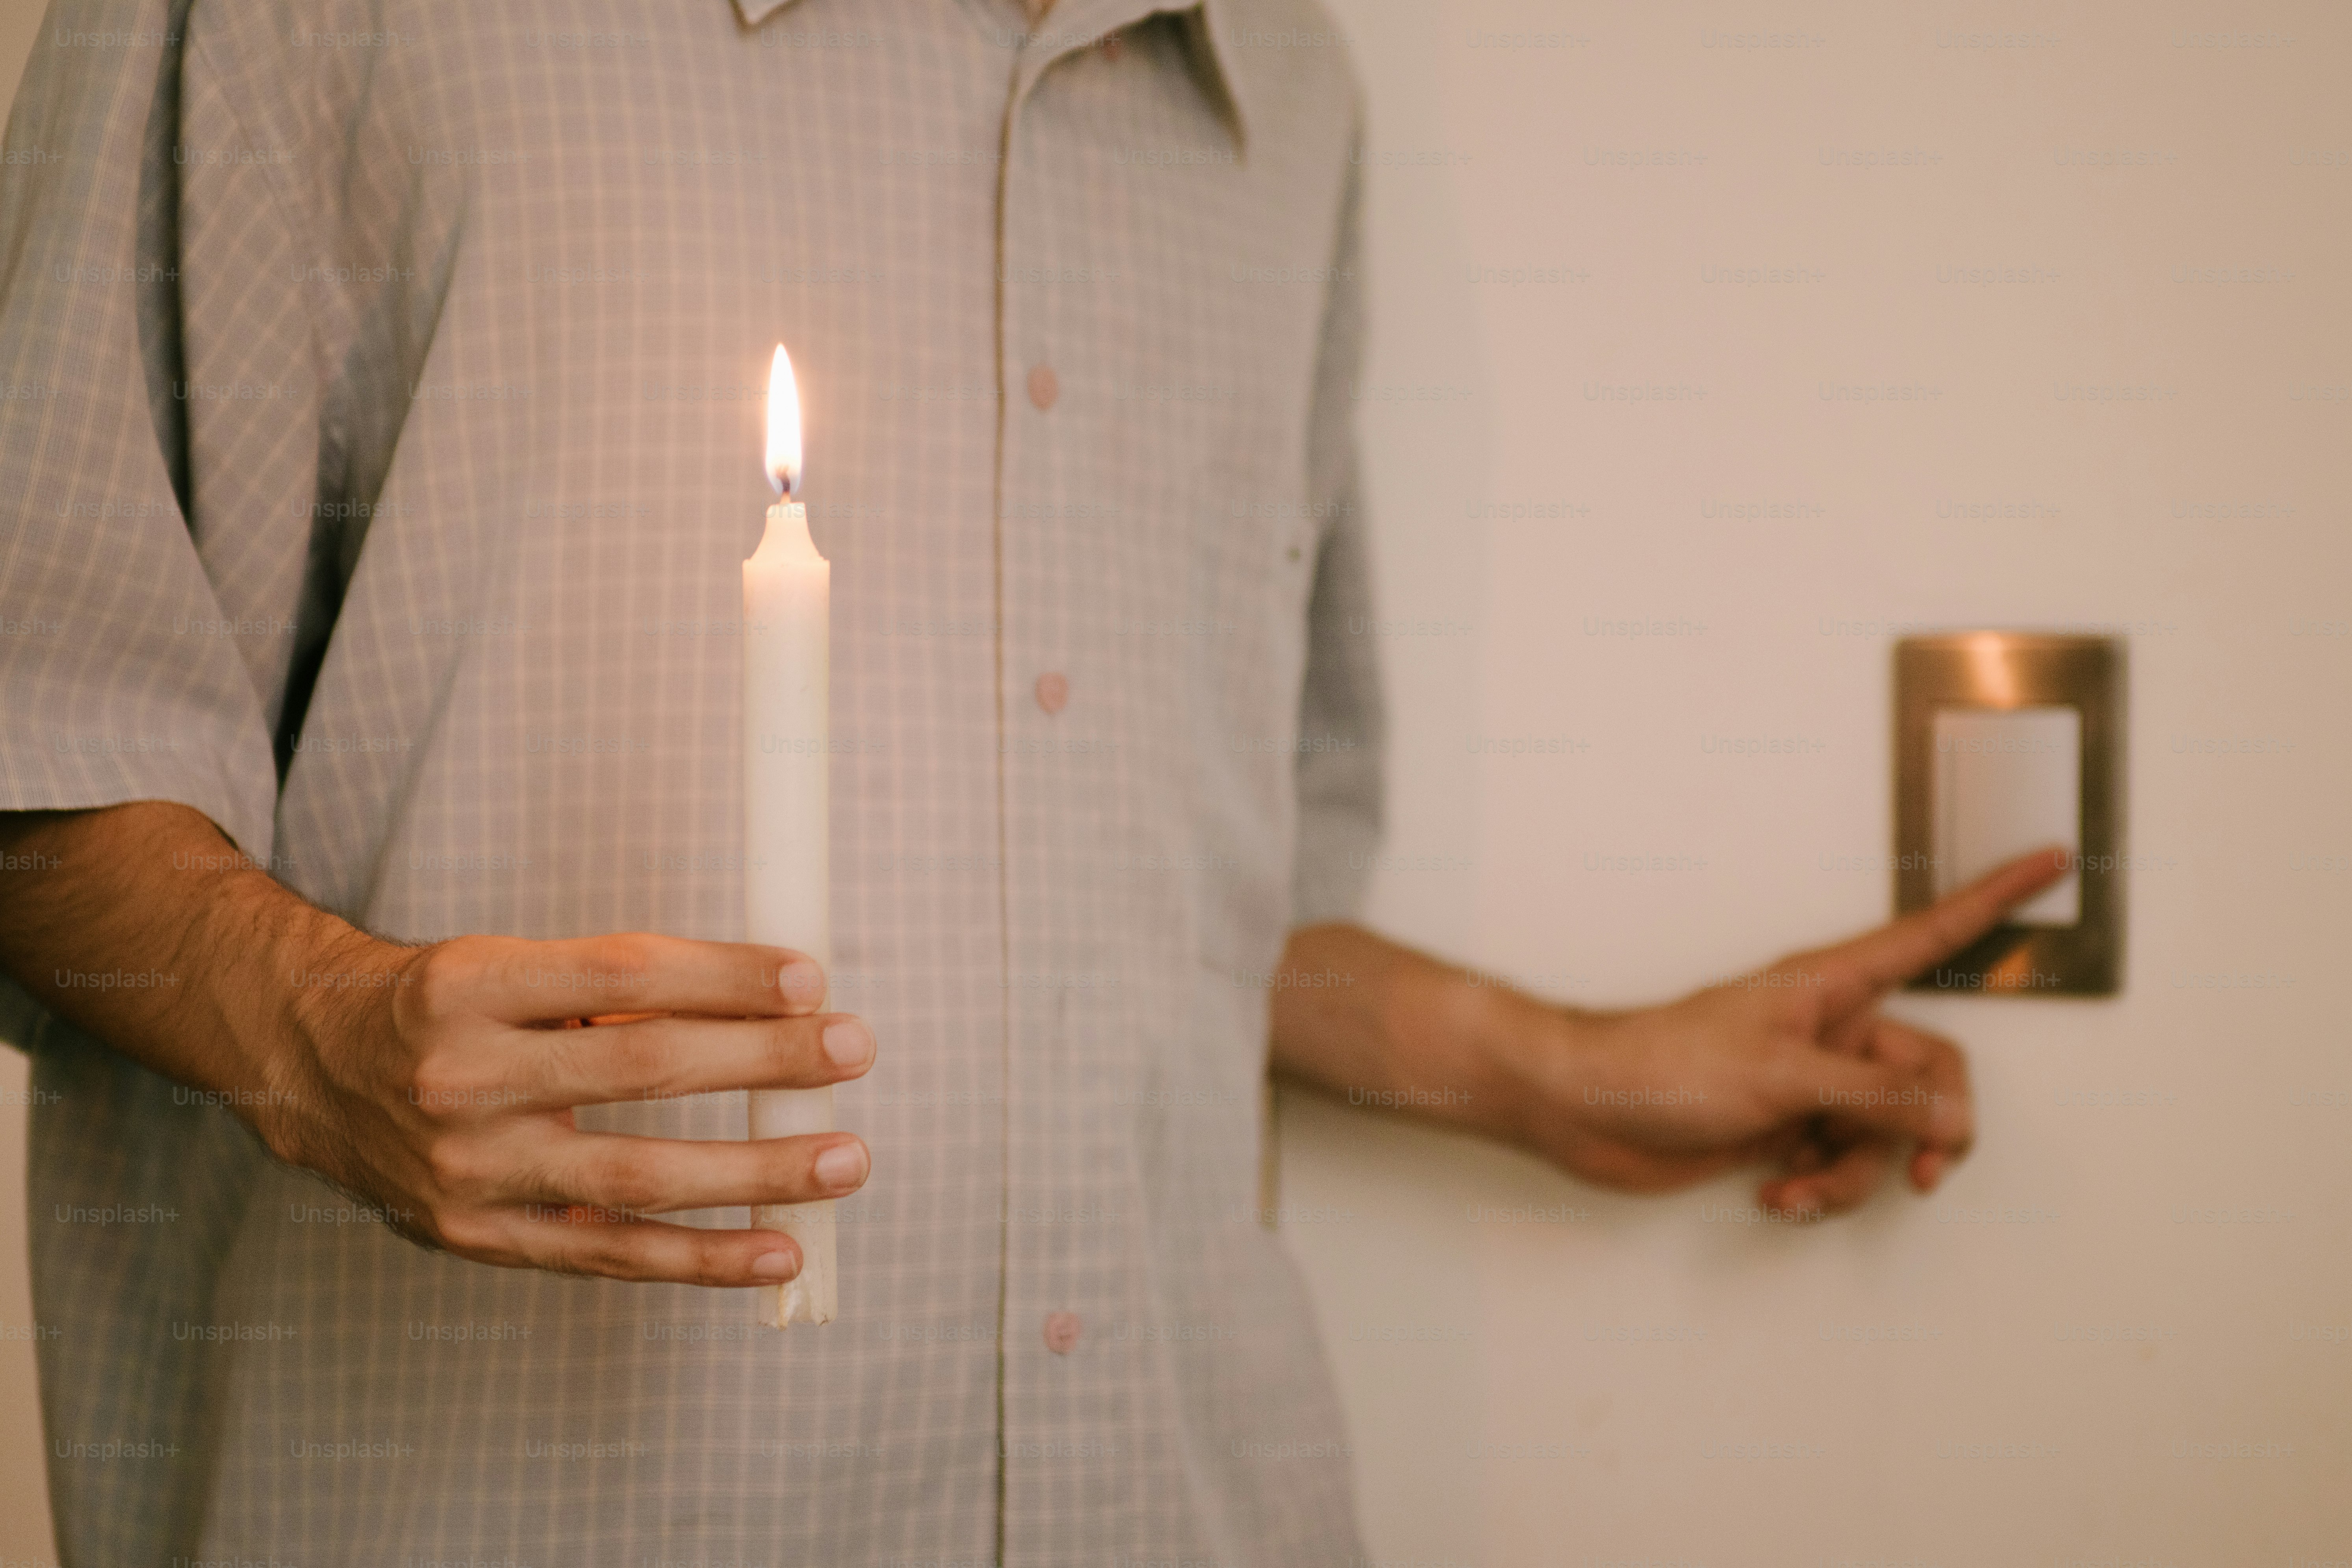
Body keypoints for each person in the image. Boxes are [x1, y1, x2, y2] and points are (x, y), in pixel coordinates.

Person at [0, 1, 2064, 1562]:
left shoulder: (1285, 94)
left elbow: (1185, 912)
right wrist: (316, 1031)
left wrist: (1556, 1068)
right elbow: (37, 733)